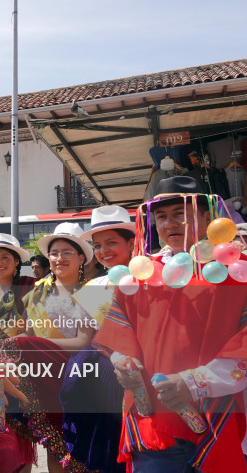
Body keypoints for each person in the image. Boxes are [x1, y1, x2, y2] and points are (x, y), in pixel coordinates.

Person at [95, 176, 247, 472]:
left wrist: (194, 382)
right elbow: (118, 333)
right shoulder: (141, 274)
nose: (169, 224)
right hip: (155, 425)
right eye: (161, 216)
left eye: (180, 213)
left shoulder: (236, 272)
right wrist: (124, 365)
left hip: (217, 418)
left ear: (207, 217)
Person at [0, 223, 96, 473]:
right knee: (50, 447)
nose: (59, 258)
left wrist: (34, 346)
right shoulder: (39, 291)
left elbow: (82, 342)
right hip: (40, 376)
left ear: (81, 258)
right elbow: (29, 334)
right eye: (54, 253)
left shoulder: (90, 291)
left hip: (74, 375)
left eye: (67, 253)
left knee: (74, 451)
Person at [60, 206, 135, 473]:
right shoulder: (91, 289)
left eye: (112, 242)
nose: (104, 251)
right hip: (101, 384)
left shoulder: (148, 279)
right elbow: (84, 340)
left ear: (131, 243)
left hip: (139, 380)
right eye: (98, 245)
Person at [0, 233, 36, 336]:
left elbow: (32, 330)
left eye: (5, 257)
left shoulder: (29, 287)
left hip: (20, 347)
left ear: (16, 261)